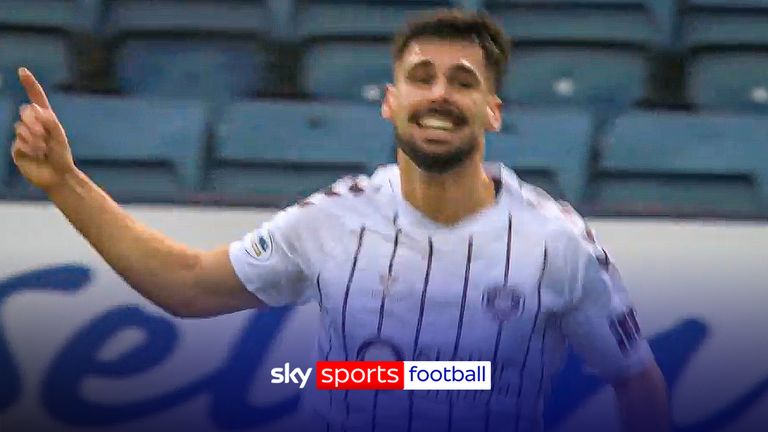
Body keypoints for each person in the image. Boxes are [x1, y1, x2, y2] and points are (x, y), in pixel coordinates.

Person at [10, 9, 669, 432]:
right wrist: (66, 184)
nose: (440, 94)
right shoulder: (331, 220)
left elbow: (635, 378)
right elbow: (185, 285)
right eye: (422, 77)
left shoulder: (557, 240)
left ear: (492, 110)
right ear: (390, 101)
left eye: (463, 81)